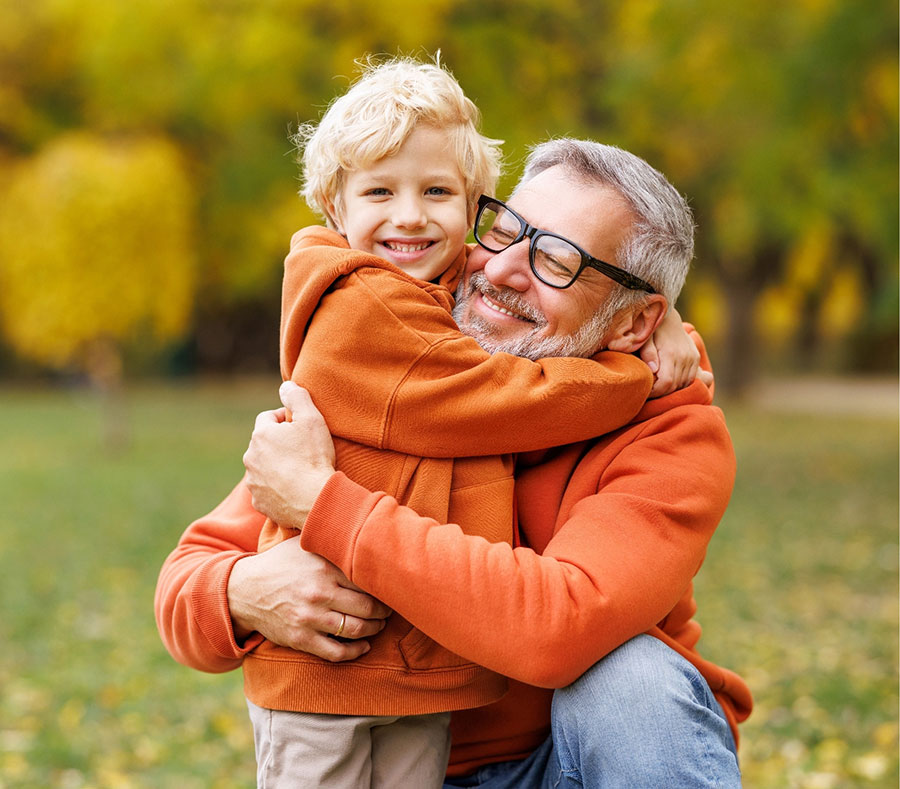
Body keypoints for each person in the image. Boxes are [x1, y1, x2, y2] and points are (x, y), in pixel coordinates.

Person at [156, 138, 753, 787]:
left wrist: (328, 507)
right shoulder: (411, 366)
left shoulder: (671, 431)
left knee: (632, 682)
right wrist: (245, 591)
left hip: (558, 762)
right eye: (503, 231)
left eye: (555, 260)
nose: (500, 271)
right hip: (403, 765)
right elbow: (183, 585)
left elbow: (558, 623)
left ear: (637, 323)